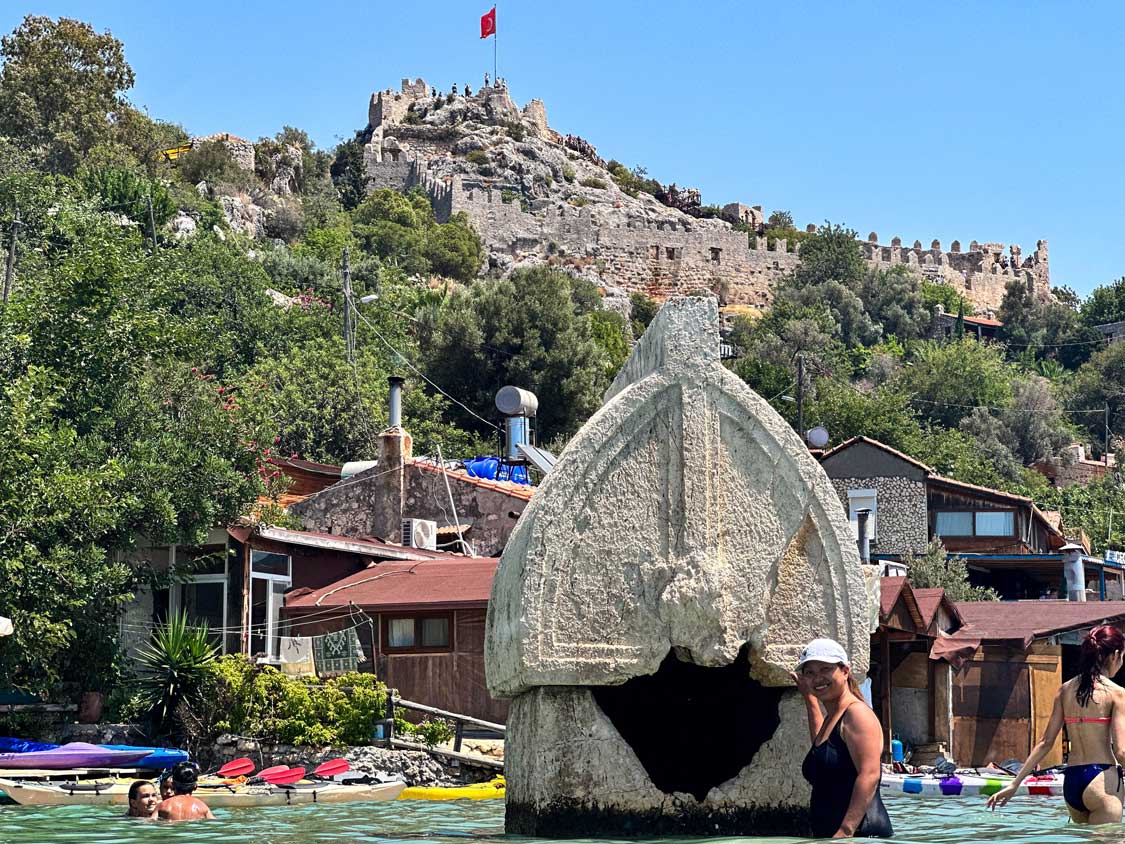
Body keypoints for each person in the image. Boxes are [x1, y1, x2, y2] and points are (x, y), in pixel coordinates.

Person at [987, 624, 1125, 823]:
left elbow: (1045, 742)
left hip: (1072, 783)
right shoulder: (1117, 693)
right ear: (1115, 655)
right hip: (1101, 780)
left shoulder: (1065, 690)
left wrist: (1014, 784)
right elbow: (1121, 751)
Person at [794, 638, 892, 839]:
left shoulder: (857, 714)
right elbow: (821, 750)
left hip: (861, 836)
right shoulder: (834, 717)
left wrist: (844, 832)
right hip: (837, 836)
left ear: (845, 671)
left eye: (825, 669)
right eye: (810, 672)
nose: (817, 678)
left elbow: (870, 775)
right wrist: (809, 698)